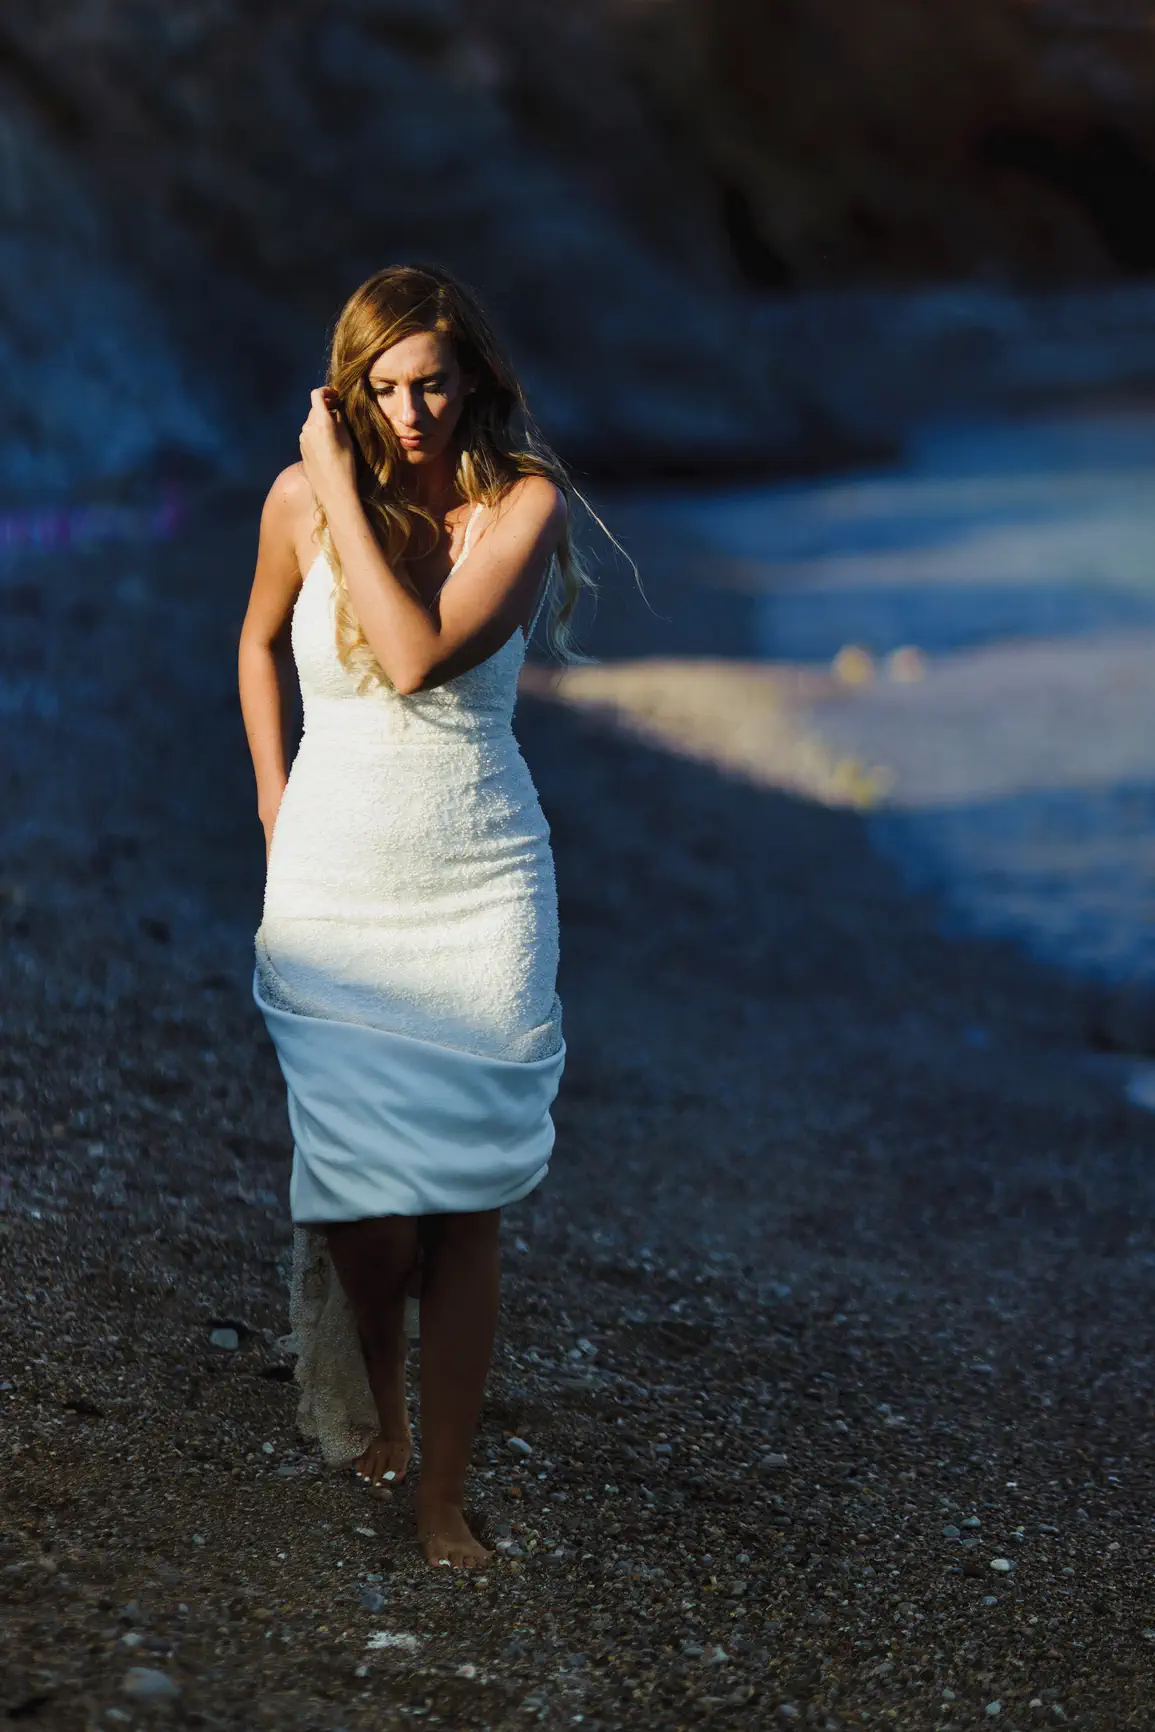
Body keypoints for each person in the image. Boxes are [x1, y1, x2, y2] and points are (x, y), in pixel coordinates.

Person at [237, 263, 599, 1568]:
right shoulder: (297, 503)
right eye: (382, 388)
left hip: (478, 890)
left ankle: (440, 1497)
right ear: (351, 390)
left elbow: (413, 656)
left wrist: (336, 486)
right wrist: (275, 801)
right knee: (366, 1213)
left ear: (473, 379)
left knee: (463, 1202)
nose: (408, 412)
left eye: (432, 383)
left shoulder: (523, 504)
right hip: (331, 890)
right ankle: (381, 1411)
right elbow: (257, 642)